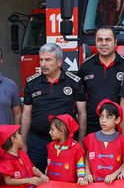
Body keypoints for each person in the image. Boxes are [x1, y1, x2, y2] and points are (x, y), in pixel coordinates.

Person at [21, 43, 86, 172]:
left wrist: (80, 141)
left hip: (65, 143)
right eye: (41, 60)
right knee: (34, 180)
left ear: (59, 61)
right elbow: (26, 115)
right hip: (38, 142)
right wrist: (23, 142)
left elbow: (82, 114)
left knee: (64, 181)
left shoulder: (74, 82)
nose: (43, 64)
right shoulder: (31, 83)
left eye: (48, 60)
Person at [78, 26, 124, 134]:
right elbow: (80, 100)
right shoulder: (85, 67)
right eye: (100, 40)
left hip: (119, 129)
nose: (103, 44)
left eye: (108, 40)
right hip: (92, 130)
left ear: (115, 42)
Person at [0, 48, 21, 125]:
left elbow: (17, 113)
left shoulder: (11, 85)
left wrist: (15, 132)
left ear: (1, 60)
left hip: (4, 136)